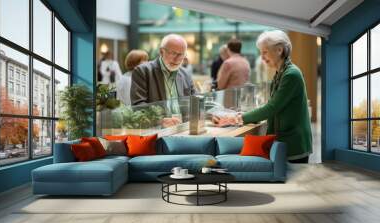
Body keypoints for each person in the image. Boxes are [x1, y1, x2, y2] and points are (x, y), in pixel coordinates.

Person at [213, 30, 312, 163]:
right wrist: (242, 115)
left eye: (265, 52)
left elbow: (272, 107)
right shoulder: (280, 73)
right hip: (285, 141)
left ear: (279, 50)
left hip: (294, 144)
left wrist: (237, 118)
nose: (262, 57)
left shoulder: (291, 74)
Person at [131, 34, 196, 127]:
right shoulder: (143, 71)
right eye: (173, 53)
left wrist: (212, 113)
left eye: (181, 54)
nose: (177, 59)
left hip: (183, 128)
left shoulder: (185, 74)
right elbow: (138, 106)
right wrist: (160, 121)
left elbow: (196, 100)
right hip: (158, 130)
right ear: (161, 51)